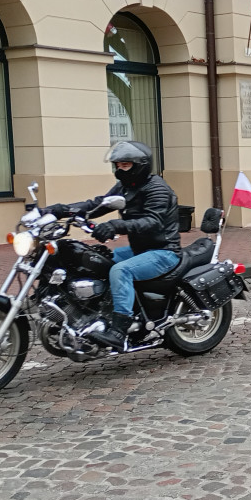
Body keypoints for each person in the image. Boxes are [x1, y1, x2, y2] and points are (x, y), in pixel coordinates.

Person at [45, 141, 181, 349]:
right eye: (117, 165)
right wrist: (63, 210)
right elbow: (98, 204)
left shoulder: (157, 189)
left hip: (163, 251)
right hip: (140, 250)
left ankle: (119, 331)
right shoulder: (125, 187)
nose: (119, 169)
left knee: (120, 270)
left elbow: (152, 221)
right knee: (97, 261)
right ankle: (94, 312)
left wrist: (115, 225)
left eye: (125, 165)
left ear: (140, 165)